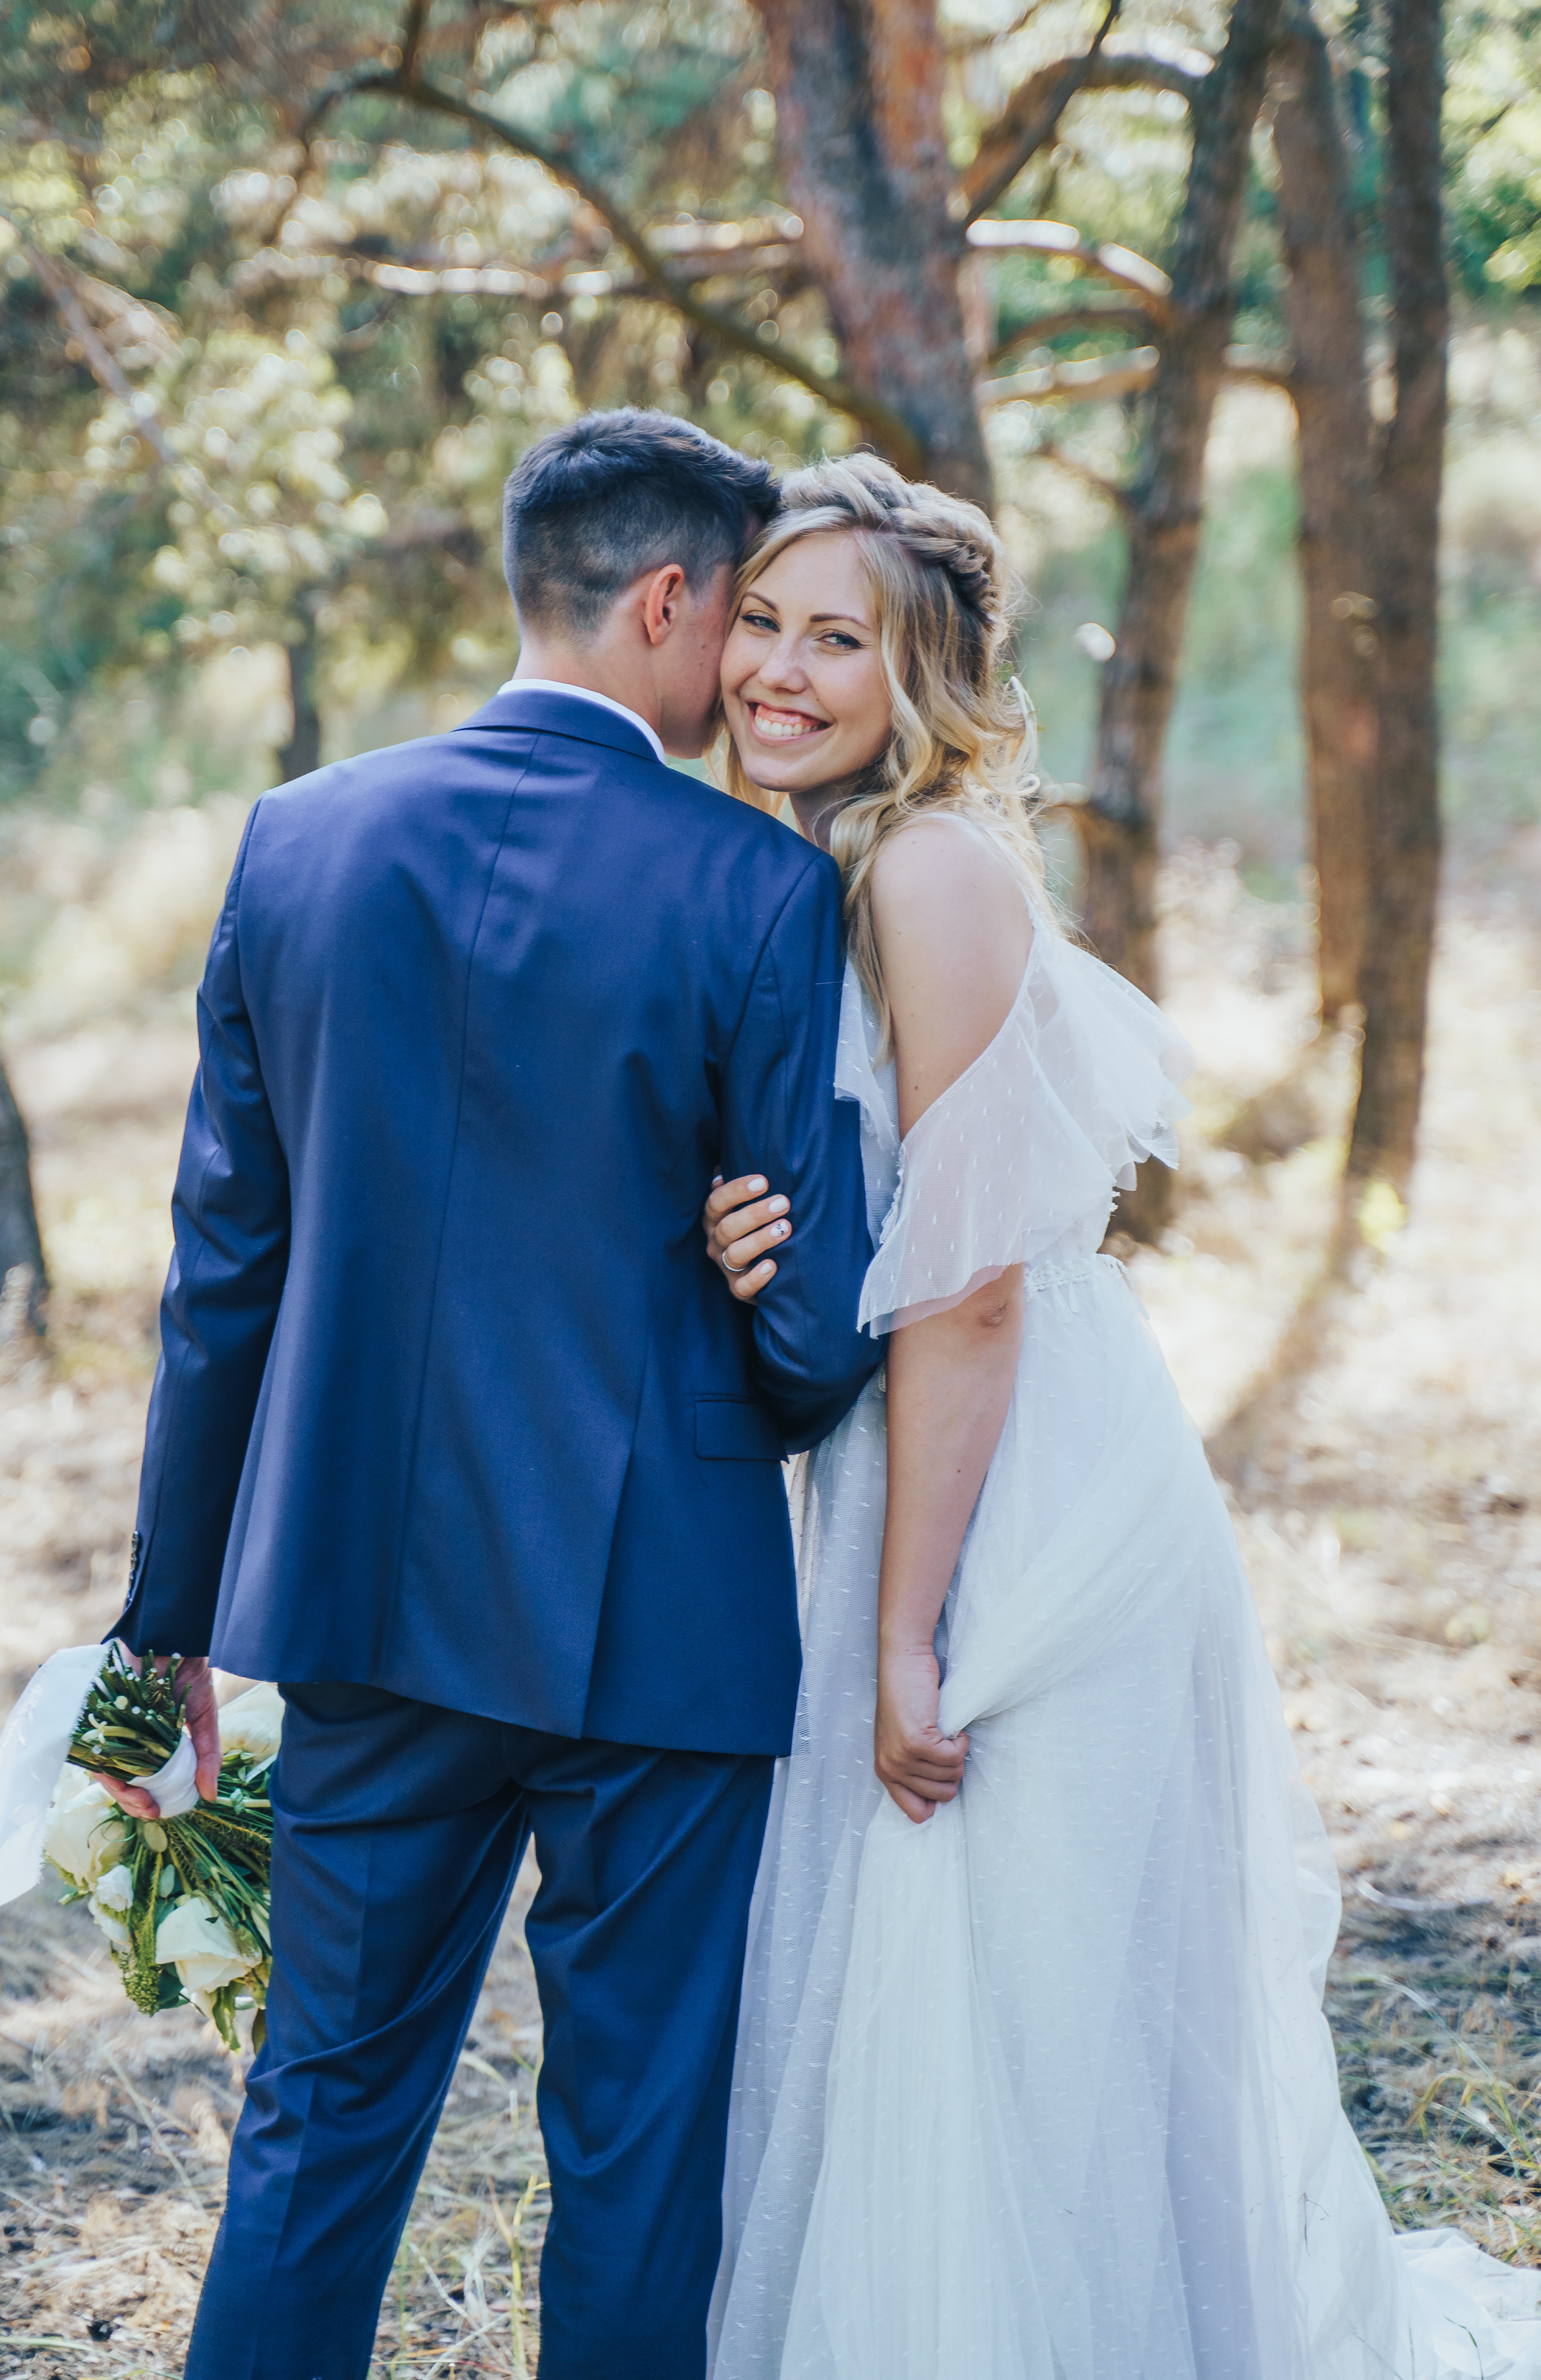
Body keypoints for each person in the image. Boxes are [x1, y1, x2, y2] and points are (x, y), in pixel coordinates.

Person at [700, 453, 1541, 2380]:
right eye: (762, 621)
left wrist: (911, 1634)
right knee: (958, 1971)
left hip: (1016, 1487)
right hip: (930, 1449)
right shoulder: (826, 866)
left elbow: (977, 1286)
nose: (780, 671)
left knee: (1014, 1968)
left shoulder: (920, 868)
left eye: (841, 640)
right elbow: (885, 1220)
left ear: (925, 681)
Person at [101, 409, 886, 2380]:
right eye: (747, 620)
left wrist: (166, 1625)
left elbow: (222, 1280)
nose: (760, 673)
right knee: (637, 2157)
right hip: (664, 1621)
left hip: (365, 1603)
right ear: (666, 601)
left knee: (320, 2124)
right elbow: (810, 1342)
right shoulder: (756, 890)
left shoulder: (302, 839)